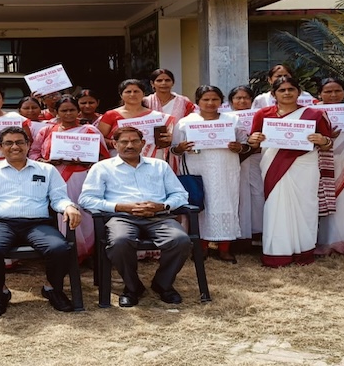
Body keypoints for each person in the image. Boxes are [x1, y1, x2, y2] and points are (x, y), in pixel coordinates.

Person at [0, 127, 82, 317]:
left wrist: (69, 206)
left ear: (28, 145)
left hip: (38, 224)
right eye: (8, 143)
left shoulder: (46, 170)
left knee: (60, 248)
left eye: (19, 142)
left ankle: (52, 288)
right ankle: (0, 293)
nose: (14, 147)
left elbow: (58, 198)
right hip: (1, 224)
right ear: (0, 147)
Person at [79, 126, 191, 307]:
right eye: (124, 141)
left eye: (134, 141)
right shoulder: (102, 168)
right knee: (120, 242)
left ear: (143, 143)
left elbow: (180, 195)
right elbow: (86, 199)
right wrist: (122, 207)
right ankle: (132, 287)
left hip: (158, 216)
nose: (129, 145)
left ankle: (162, 284)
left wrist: (162, 206)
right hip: (121, 217)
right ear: (115, 144)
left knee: (181, 240)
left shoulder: (159, 165)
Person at [248, 76, 334, 267]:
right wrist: (254, 139)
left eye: (291, 89)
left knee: (305, 206)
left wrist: (322, 140)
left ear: (298, 92)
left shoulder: (314, 114)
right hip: (273, 165)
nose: (287, 93)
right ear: (274, 94)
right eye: (282, 90)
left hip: (304, 165)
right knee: (276, 206)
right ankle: (277, 252)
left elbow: (328, 144)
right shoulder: (263, 114)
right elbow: (253, 143)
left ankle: (303, 251)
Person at [29, 95, 110, 262]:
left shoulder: (90, 131)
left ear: (78, 111)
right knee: (56, 213)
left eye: (72, 110)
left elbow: (104, 158)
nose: (68, 114)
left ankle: (84, 251)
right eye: (64, 110)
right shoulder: (47, 130)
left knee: (82, 213)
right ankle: (58, 252)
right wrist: (46, 161)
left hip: (80, 177)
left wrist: (87, 160)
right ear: (57, 112)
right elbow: (33, 153)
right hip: (53, 176)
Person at [171, 86, 244, 263]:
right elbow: (174, 149)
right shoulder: (186, 122)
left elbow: (245, 144)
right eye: (206, 99)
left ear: (221, 101)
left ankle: (225, 248)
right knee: (201, 204)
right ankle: (201, 247)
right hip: (198, 168)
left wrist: (239, 147)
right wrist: (180, 148)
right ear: (198, 102)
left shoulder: (232, 120)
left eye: (215, 99)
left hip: (225, 168)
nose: (210, 103)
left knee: (226, 203)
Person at [314, 78, 344, 255]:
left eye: (337, 91)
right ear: (319, 93)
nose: (333, 95)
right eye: (328, 91)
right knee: (318, 199)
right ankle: (317, 239)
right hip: (318, 162)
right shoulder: (311, 112)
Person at [97, 79, 174, 165]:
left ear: (143, 94)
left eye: (136, 91)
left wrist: (167, 139)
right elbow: (99, 139)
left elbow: (165, 140)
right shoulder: (111, 115)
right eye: (128, 92)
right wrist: (117, 143)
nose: (132, 94)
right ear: (121, 95)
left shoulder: (156, 117)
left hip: (150, 161)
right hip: (119, 160)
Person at [229, 85, 263, 250]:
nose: (242, 101)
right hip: (236, 160)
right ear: (231, 101)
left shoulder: (261, 115)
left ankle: (258, 232)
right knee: (239, 195)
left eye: (246, 98)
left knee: (257, 194)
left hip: (257, 159)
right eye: (238, 98)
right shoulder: (226, 118)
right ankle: (238, 235)